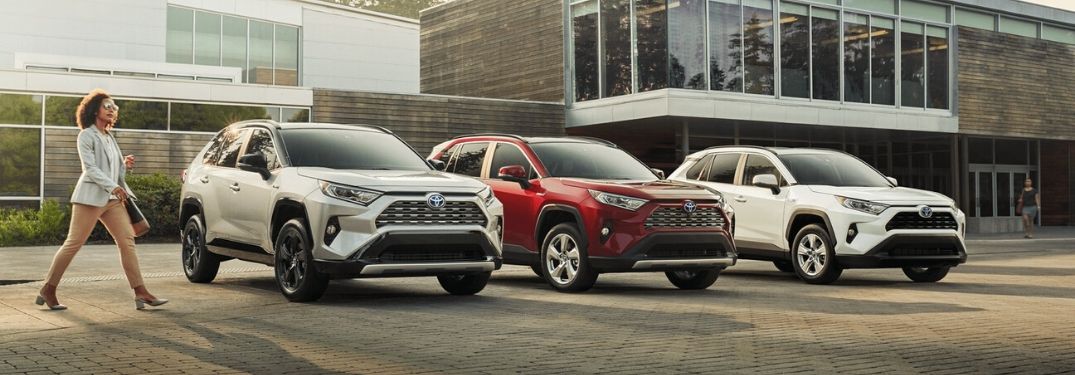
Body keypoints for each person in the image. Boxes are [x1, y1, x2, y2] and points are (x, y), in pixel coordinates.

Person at [35, 89, 168, 311]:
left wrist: (123, 166)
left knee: (127, 241)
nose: (112, 110)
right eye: (107, 106)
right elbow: (90, 169)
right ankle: (48, 288)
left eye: (114, 107)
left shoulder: (109, 137)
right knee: (73, 243)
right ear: (94, 109)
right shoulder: (86, 135)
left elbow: (112, 171)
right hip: (90, 198)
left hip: (112, 200)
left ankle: (140, 292)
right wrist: (113, 186)